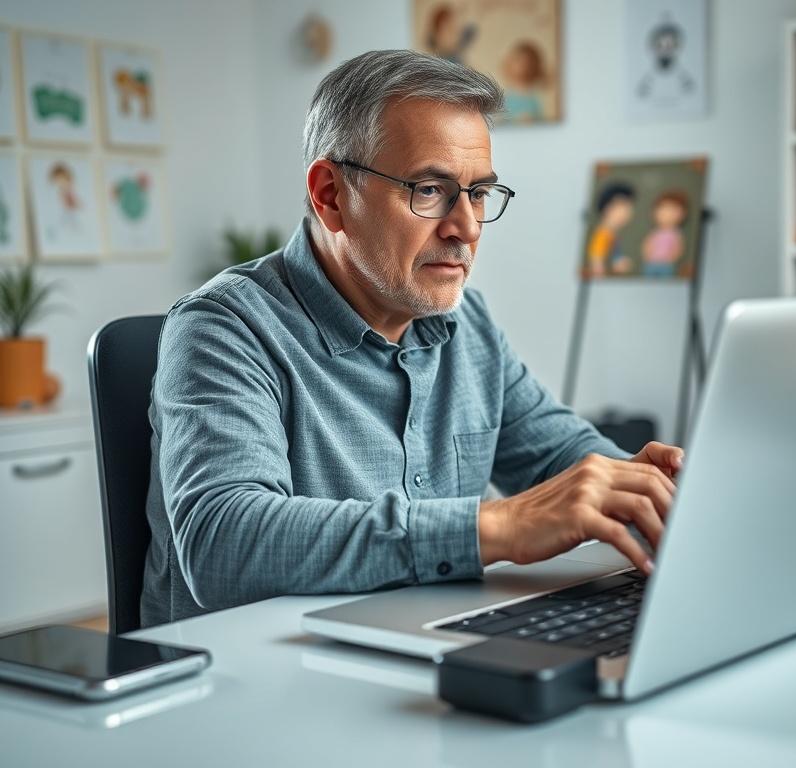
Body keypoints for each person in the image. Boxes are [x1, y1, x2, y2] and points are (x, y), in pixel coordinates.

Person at [141, 49, 683, 627]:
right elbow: (223, 541)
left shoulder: (466, 322)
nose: (467, 228)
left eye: (479, 193)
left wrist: (657, 494)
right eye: (429, 190)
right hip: (251, 683)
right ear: (330, 195)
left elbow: (560, 457)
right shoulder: (222, 329)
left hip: (420, 648)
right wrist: (498, 526)